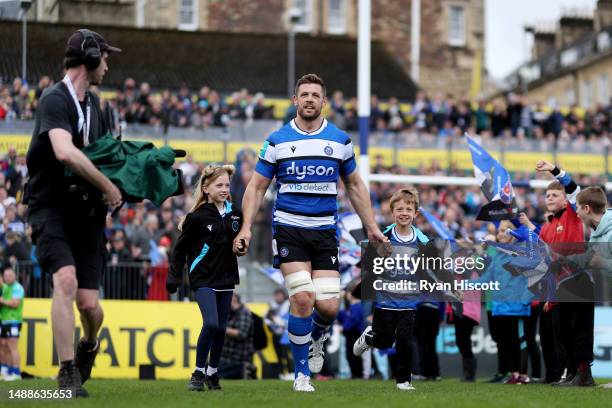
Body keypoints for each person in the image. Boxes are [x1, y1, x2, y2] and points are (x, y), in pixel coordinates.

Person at [233, 74, 386, 392]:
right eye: (304, 94)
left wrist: (371, 226)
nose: (310, 99)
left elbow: (355, 185)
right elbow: (257, 186)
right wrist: (246, 225)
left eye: (316, 95)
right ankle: (302, 374)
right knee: (302, 298)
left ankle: (317, 337)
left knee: (328, 307)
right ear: (295, 100)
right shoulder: (277, 140)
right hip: (289, 230)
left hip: (325, 232)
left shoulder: (339, 141)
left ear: (324, 101)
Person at [25, 29, 122, 397]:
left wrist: (121, 190)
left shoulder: (99, 108)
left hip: (87, 215)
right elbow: (65, 152)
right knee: (64, 281)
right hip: (50, 206)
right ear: (91, 58)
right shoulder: (54, 99)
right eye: (105, 57)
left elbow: (108, 159)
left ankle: (90, 345)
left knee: (90, 306)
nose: (108, 65)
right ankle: (67, 372)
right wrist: (107, 186)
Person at [166, 164, 242, 392]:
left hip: (227, 278)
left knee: (220, 329)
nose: (224, 189)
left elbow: (240, 240)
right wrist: (174, 276)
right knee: (211, 323)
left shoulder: (235, 213)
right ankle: (198, 373)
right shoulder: (197, 217)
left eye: (227, 185)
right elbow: (180, 250)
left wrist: (242, 245)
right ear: (206, 188)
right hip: (203, 278)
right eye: (219, 185)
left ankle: (213, 372)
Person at [352, 188, 429, 391]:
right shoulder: (383, 236)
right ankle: (370, 337)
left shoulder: (422, 240)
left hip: (409, 300)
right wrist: (379, 255)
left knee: (405, 341)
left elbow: (431, 264)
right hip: (385, 299)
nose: (404, 212)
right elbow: (368, 264)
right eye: (399, 209)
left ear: (416, 213)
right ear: (392, 212)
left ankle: (403, 380)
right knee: (385, 341)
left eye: (408, 209)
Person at [535, 160, 594, 387]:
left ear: (565, 199)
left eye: (554, 195)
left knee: (580, 332)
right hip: (561, 284)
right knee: (564, 334)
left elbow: (573, 189)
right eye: (547, 195)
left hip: (579, 279)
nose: (549, 198)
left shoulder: (573, 212)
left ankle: (584, 375)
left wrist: (554, 170)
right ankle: (572, 373)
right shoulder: (549, 226)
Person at [218, 293, 255, 379]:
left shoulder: (244, 313)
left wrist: (222, 329)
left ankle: (245, 371)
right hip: (225, 356)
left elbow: (242, 334)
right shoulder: (228, 312)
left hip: (237, 357)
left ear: (234, 300)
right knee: (208, 370)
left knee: (217, 374)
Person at [0, 267, 24, 381]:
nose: (7, 277)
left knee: (12, 347)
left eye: (10, 275)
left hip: (13, 321)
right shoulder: (5, 288)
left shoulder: (17, 287)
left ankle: (16, 373)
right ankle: (7, 371)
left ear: (15, 275)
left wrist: (2, 301)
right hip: (4, 321)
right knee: (4, 346)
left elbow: (15, 304)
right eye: (5, 276)